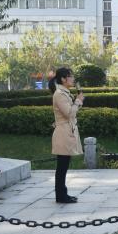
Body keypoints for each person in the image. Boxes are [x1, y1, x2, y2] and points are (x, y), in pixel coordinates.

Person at [50, 66, 84, 203]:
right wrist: (78, 101)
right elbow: (69, 113)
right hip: (63, 133)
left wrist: (78, 102)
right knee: (62, 166)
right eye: (70, 76)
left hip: (67, 131)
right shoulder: (59, 94)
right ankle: (61, 196)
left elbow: (72, 112)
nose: (73, 79)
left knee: (64, 165)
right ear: (63, 79)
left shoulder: (64, 93)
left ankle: (63, 194)